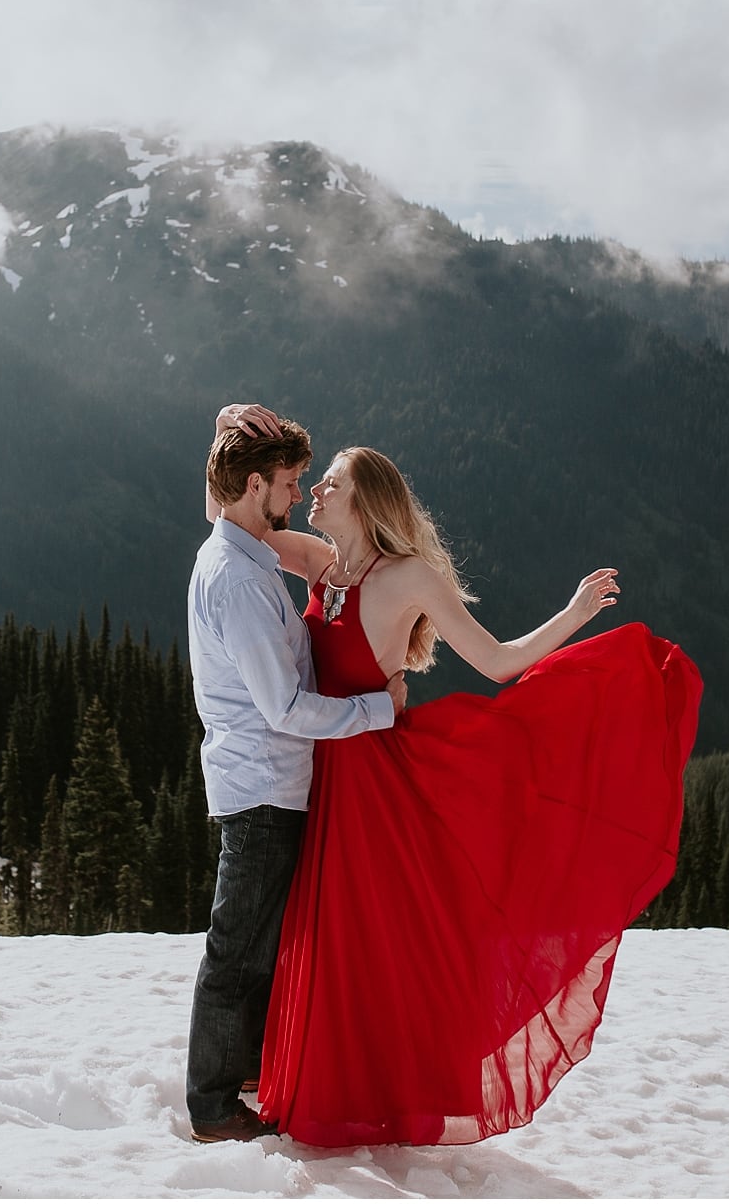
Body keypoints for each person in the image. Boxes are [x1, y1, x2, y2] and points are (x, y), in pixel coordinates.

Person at [216, 401, 702, 1148]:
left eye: (332, 483)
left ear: (368, 498)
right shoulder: (322, 562)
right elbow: (230, 517)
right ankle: (325, 1083)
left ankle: (375, 1093)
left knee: (374, 936)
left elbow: (502, 662)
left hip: (377, 780)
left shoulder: (407, 576)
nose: (313, 493)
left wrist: (574, 613)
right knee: (328, 936)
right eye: (313, 484)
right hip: (328, 772)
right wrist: (227, 434)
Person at [184, 413, 408, 1144]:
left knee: (259, 942)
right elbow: (282, 707)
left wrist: (226, 424)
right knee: (237, 945)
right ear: (256, 486)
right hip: (262, 785)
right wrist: (379, 710)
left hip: (269, 783)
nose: (298, 491)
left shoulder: (240, 549)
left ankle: (244, 1072)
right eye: (287, 482)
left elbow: (219, 501)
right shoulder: (238, 581)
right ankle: (214, 1106)